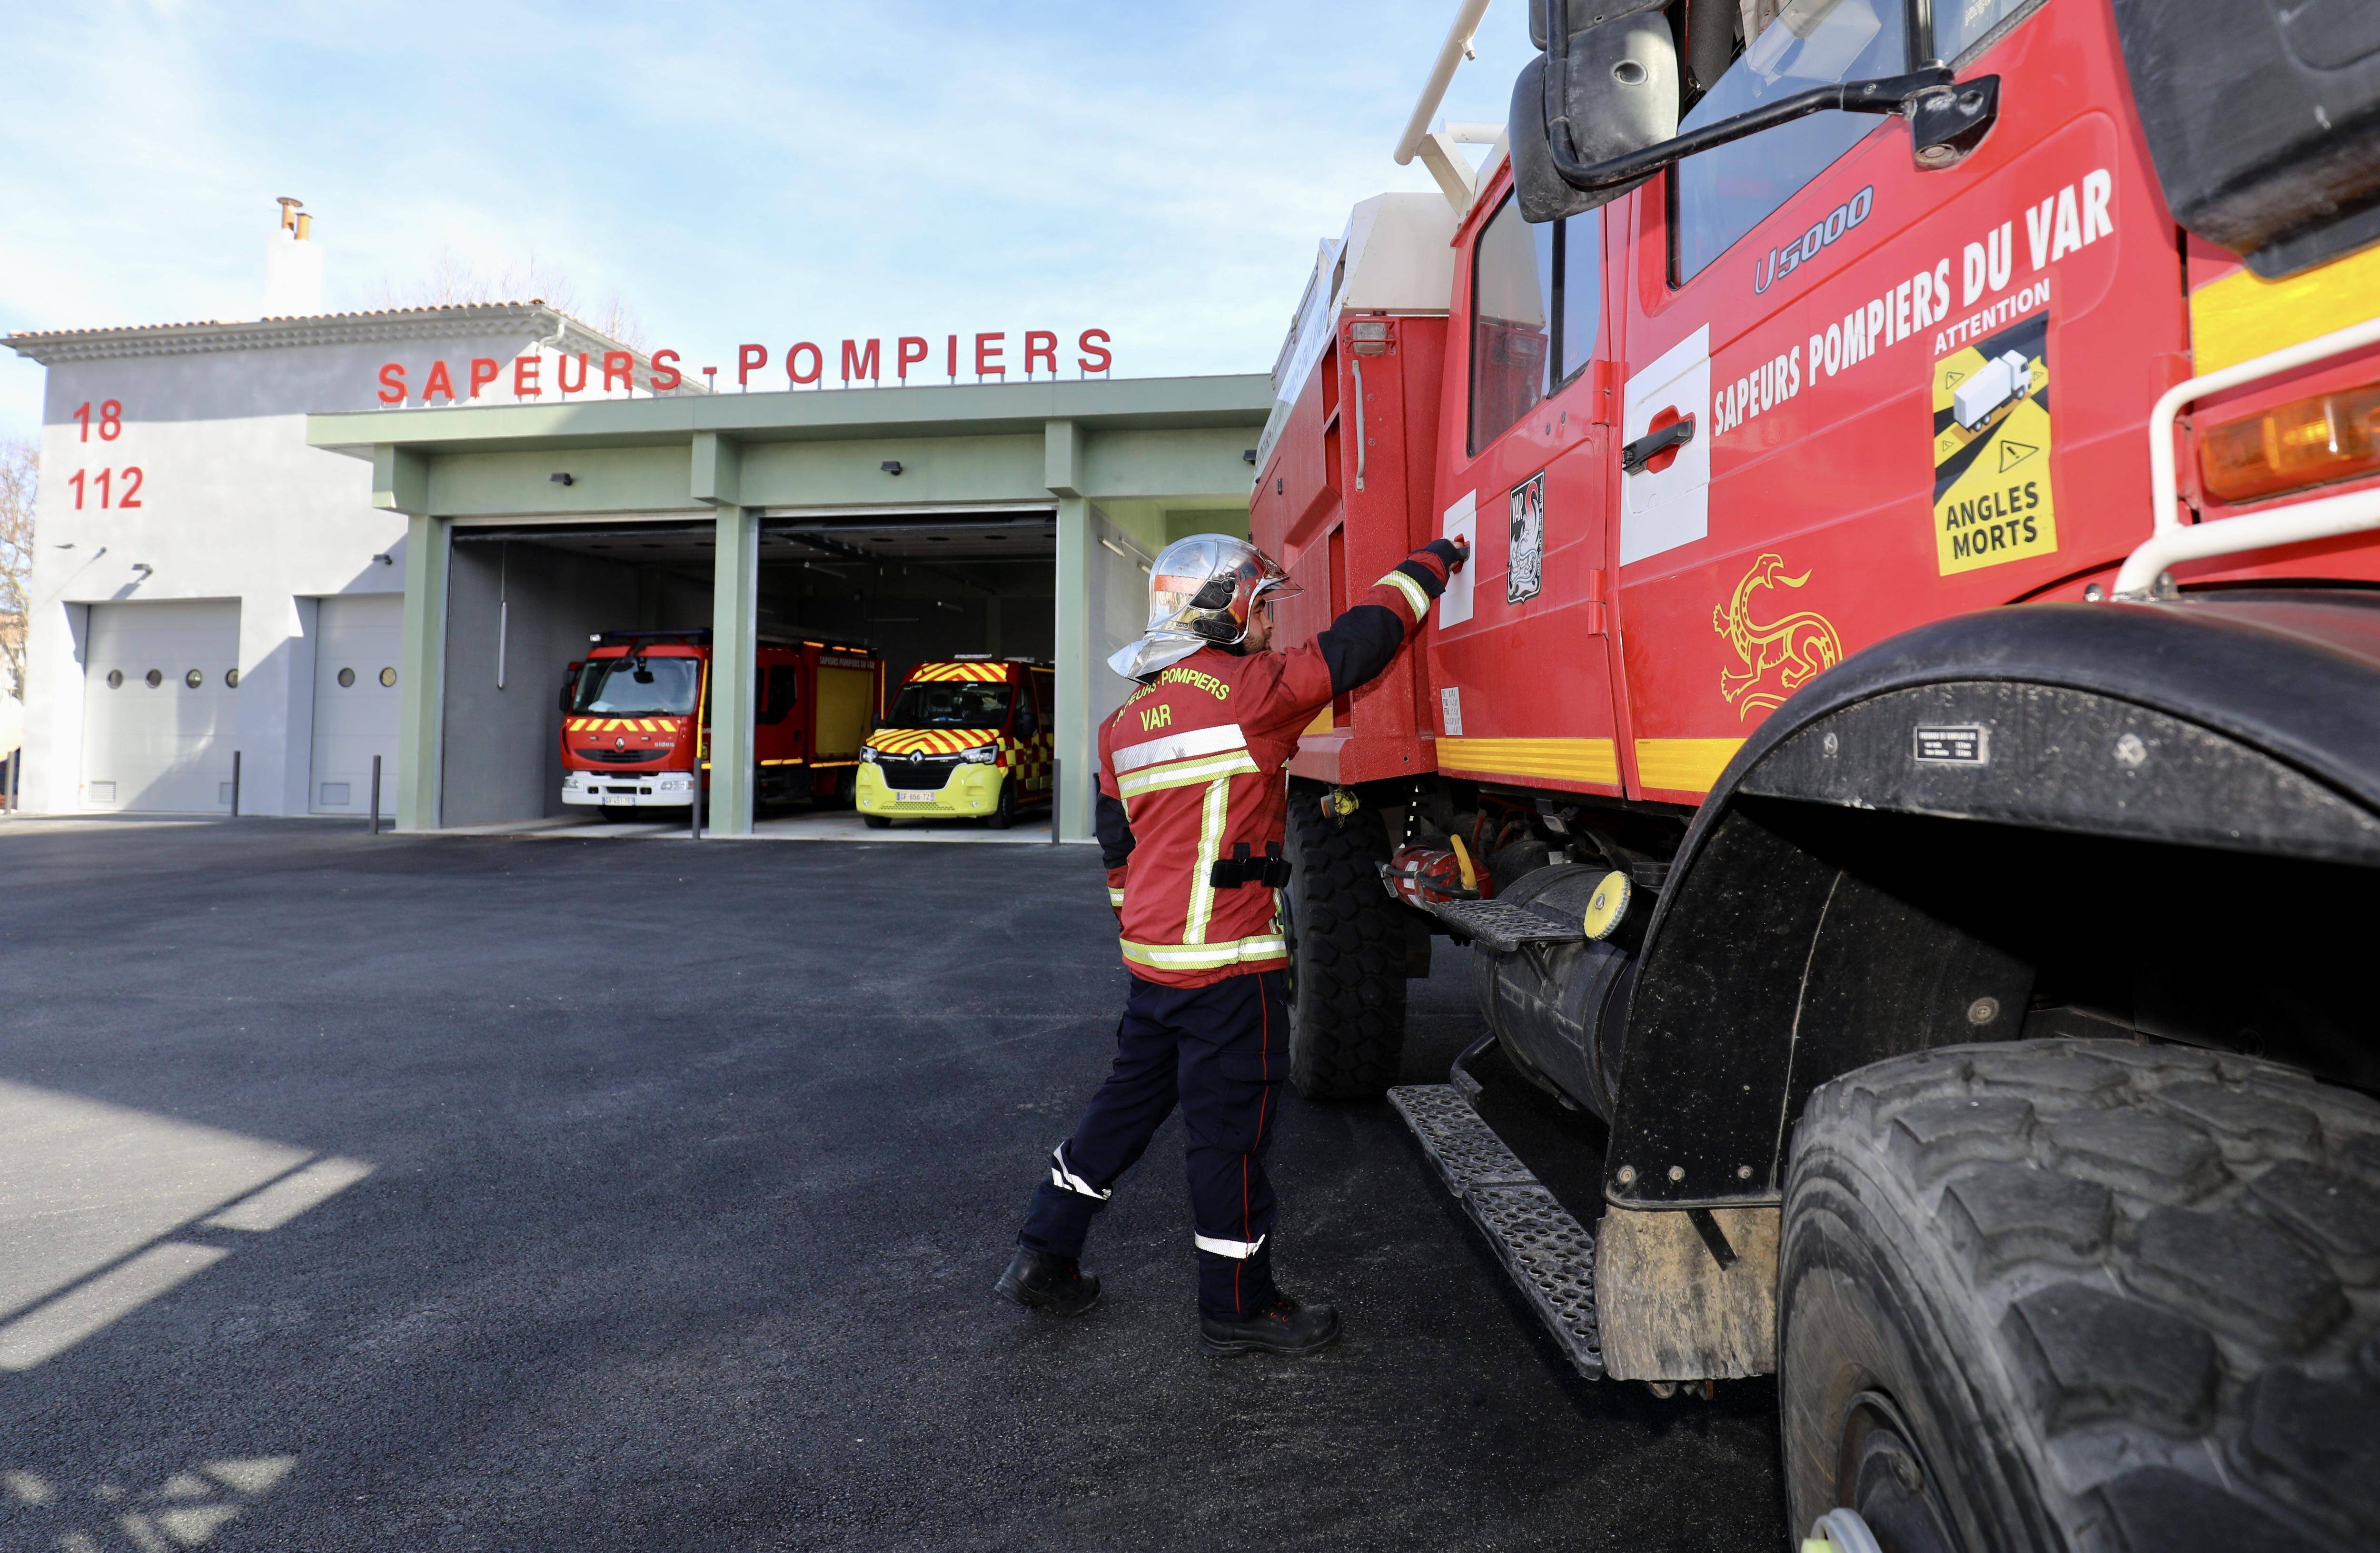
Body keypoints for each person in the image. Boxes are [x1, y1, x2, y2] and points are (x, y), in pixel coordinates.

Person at [996, 530, 1468, 1355]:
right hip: (1229, 969)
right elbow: (1365, 640)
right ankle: (1238, 1307)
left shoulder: (1118, 728)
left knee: (1122, 1112)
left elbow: (1120, 856)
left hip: (1155, 968)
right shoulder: (1251, 691)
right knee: (1229, 1143)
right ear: (1224, 611)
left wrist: (1148, 935)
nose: (1269, 628)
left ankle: (1043, 1256)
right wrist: (1432, 564)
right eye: (1261, 609)